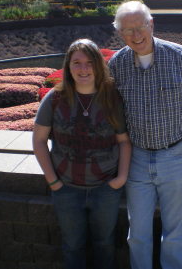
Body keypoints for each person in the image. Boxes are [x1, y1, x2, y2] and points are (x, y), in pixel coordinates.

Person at [109, 0, 182, 269]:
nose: (136, 35)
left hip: (178, 156)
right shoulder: (118, 63)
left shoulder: (180, 56)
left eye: (140, 26)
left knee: (177, 234)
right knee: (138, 233)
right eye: (128, 30)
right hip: (137, 159)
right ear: (120, 33)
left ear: (151, 24)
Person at [33, 39, 131, 269]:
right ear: (68, 66)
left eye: (89, 62)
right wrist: (54, 182)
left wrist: (121, 179)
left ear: (98, 65)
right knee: (72, 245)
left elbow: (124, 142)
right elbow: (38, 141)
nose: (83, 69)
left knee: (104, 243)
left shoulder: (111, 98)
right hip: (67, 189)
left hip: (105, 189)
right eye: (76, 62)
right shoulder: (55, 98)